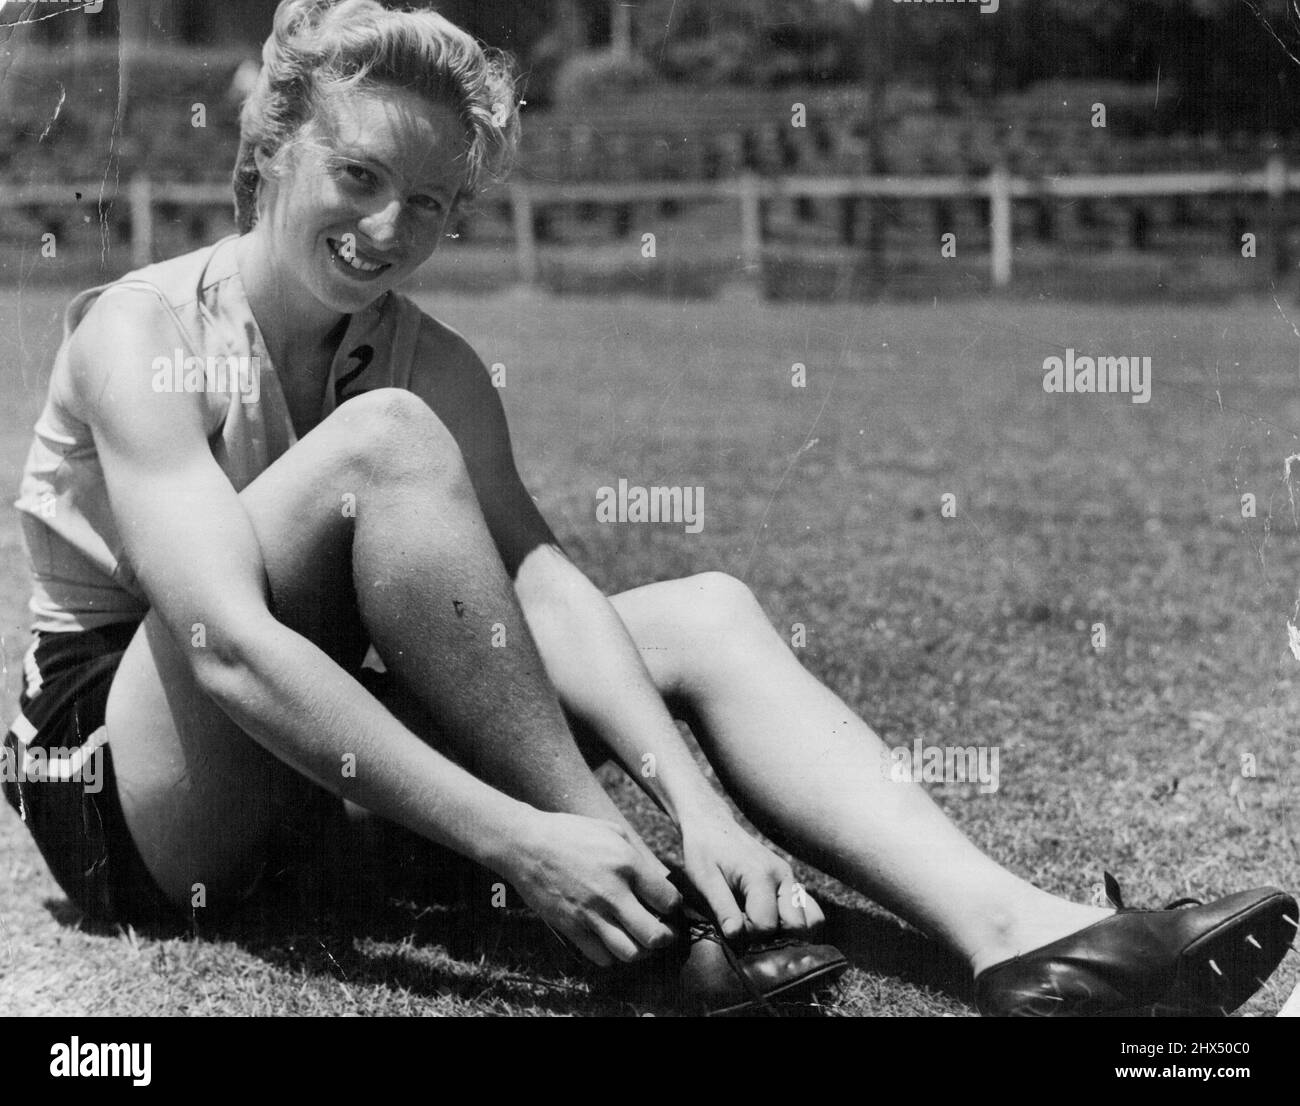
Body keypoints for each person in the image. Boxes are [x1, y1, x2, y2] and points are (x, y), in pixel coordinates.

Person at [3, 0, 1295, 1017]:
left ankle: (1022, 933)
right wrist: (529, 839)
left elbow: (544, 584)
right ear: (276, 149)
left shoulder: (428, 355)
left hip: (308, 763)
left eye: (439, 206)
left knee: (706, 616)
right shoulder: (145, 330)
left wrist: (698, 796)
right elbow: (226, 645)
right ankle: (627, 900)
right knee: (388, 447)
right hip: (135, 801)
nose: (392, 228)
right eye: (357, 174)